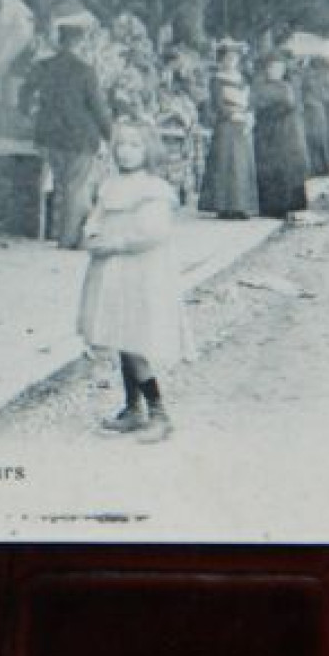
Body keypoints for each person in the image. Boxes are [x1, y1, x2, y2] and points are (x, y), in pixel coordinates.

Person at [77, 121, 193, 443]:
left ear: (149, 150)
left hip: (139, 271)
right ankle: (133, 408)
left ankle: (159, 412)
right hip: (111, 273)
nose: (126, 152)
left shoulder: (152, 189)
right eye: (122, 145)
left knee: (135, 341)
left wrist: (117, 243)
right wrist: (92, 234)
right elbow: (96, 217)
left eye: (135, 145)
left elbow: (153, 232)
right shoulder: (110, 186)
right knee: (120, 335)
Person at [20, 24, 115, 246]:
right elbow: (98, 108)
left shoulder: (43, 67)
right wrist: (110, 134)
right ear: (79, 44)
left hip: (49, 137)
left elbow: (24, 92)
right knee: (76, 188)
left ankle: (57, 232)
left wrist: (28, 113)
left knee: (60, 184)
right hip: (80, 137)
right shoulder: (85, 71)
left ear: (60, 42)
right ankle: (67, 239)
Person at [197, 40, 258, 220]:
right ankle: (224, 206)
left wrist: (249, 114)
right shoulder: (217, 80)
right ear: (221, 60)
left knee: (242, 165)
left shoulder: (242, 78)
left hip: (242, 125)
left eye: (234, 58)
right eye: (228, 58)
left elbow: (250, 99)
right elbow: (217, 104)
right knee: (226, 164)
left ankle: (241, 206)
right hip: (226, 125)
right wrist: (231, 114)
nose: (231, 61)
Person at [252, 49, 311, 218]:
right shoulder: (260, 86)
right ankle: (272, 206)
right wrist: (280, 108)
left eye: (279, 68)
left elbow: (296, 105)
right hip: (269, 133)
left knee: (291, 166)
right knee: (272, 167)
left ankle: (292, 203)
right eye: (273, 68)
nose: (276, 71)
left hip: (289, 132)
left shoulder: (287, 85)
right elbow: (259, 107)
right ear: (267, 69)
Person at [300, 56, 329, 178]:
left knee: (315, 140)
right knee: (317, 140)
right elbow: (326, 96)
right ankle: (321, 168)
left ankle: (317, 169)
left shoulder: (308, 77)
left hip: (313, 112)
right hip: (315, 112)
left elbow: (326, 96)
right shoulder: (316, 78)